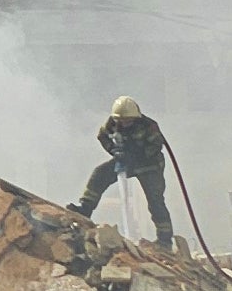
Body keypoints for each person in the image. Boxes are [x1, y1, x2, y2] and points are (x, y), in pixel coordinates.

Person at [71, 96, 174, 249]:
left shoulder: (149, 126)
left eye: (128, 121)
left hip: (149, 165)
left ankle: (165, 241)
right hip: (126, 161)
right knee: (100, 174)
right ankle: (84, 209)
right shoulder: (112, 123)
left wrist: (138, 154)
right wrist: (113, 151)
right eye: (122, 121)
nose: (124, 124)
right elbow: (102, 136)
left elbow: (156, 146)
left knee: (155, 201)